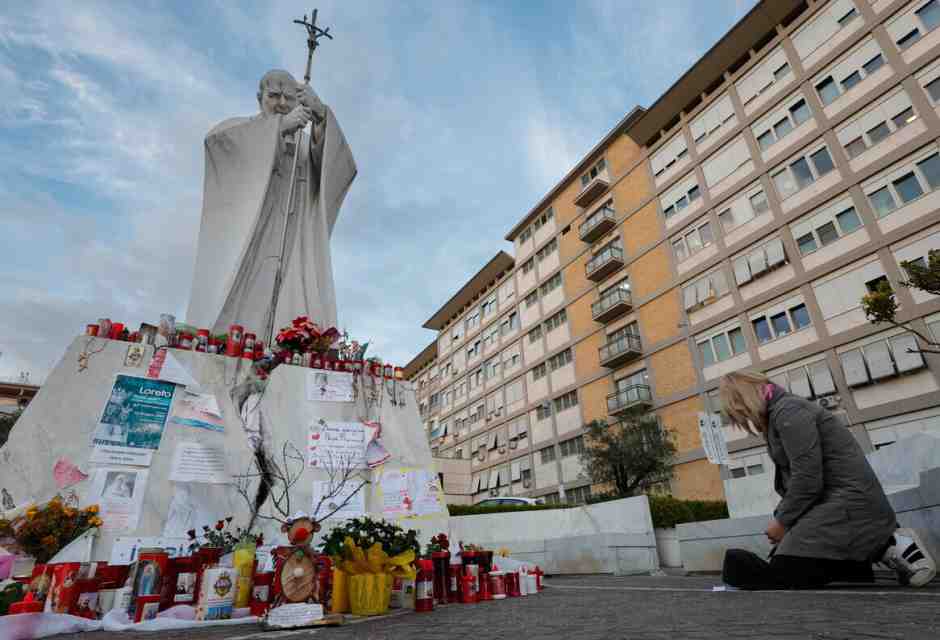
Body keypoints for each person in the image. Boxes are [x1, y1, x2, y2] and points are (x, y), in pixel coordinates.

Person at [719, 370, 936, 589]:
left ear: (746, 399)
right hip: (835, 503)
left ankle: (891, 543)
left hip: (850, 503)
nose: (746, 419)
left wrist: (782, 521)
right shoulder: (781, 414)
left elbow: (807, 478)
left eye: (741, 412)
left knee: (783, 571)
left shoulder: (789, 412)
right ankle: (871, 555)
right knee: (791, 561)